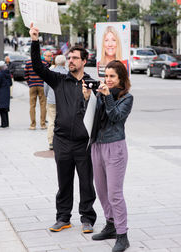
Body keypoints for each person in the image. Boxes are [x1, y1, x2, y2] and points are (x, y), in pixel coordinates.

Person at [29, 23, 96, 234]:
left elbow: (99, 112)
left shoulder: (92, 83)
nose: (70, 61)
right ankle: (63, 218)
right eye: (69, 58)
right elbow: (38, 67)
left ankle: (87, 218)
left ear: (84, 61)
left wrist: (91, 96)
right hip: (62, 141)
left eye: (75, 58)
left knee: (86, 183)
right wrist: (34, 41)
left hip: (83, 143)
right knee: (64, 182)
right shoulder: (59, 80)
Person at [82, 60, 133, 252]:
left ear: (121, 78)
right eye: (106, 76)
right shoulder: (99, 93)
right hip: (97, 146)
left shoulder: (127, 98)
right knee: (102, 191)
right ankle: (110, 225)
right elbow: (88, 116)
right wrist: (87, 97)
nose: (108, 80)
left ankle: (122, 235)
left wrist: (106, 97)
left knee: (114, 193)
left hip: (115, 147)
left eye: (112, 76)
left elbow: (116, 117)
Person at [44, 55, 68, 151]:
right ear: (64, 63)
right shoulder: (67, 73)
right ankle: (62, 141)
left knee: (51, 121)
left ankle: (51, 142)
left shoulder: (50, 73)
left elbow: (45, 87)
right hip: (63, 101)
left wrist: (47, 96)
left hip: (51, 100)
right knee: (63, 120)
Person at [24, 54, 47, 130]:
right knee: (43, 105)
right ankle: (43, 124)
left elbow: (26, 74)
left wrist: (29, 83)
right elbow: (47, 74)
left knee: (32, 105)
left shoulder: (28, 62)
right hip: (42, 85)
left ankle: (33, 125)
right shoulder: (44, 62)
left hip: (32, 85)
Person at [0, 61, 12, 128]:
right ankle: (6, 123)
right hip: (6, 92)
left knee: (1, 109)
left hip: (0, 93)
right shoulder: (8, 74)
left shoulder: (0, 75)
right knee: (5, 109)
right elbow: (10, 84)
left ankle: (3, 124)